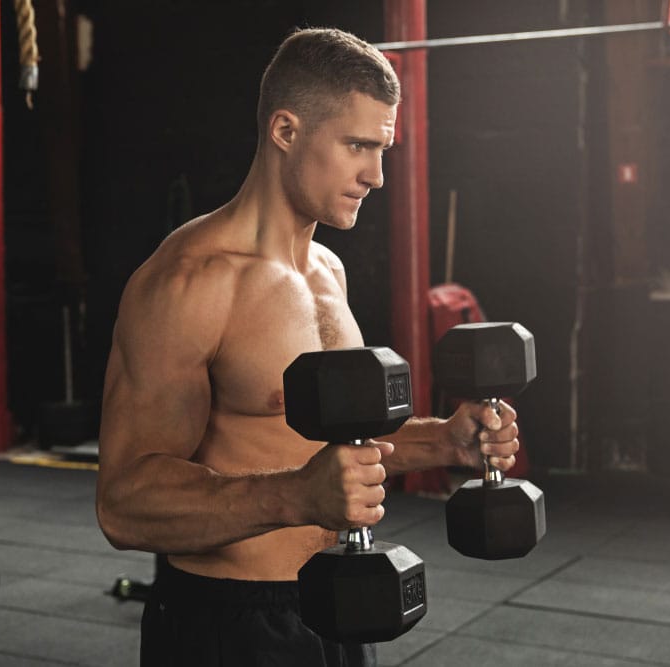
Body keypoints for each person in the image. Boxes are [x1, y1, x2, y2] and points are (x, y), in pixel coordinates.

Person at [96, 27, 521, 667]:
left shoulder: (326, 271)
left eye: (383, 149)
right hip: (228, 622)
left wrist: (443, 441)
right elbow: (125, 505)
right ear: (286, 131)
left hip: (339, 604)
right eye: (357, 145)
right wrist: (296, 496)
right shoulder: (190, 281)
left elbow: (326, 453)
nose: (376, 175)